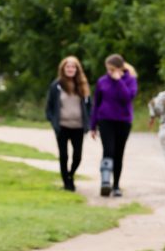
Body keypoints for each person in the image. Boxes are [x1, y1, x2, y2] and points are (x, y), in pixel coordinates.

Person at [90, 54, 138, 197]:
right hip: (105, 120)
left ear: (120, 68)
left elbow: (127, 98)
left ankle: (116, 185)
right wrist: (93, 125)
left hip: (123, 121)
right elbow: (96, 103)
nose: (109, 72)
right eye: (108, 69)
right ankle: (105, 183)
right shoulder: (102, 81)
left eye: (112, 69)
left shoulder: (130, 80)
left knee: (118, 153)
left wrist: (119, 81)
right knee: (108, 151)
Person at [45, 56, 91, 191]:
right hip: (62, 127)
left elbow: (89, 105)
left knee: (77, 156)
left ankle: (70, 174)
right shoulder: (56, 85)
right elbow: (49, 106)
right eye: (68, 67)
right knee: (64, 156)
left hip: (78, 127)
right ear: (63, 69)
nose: (70, 69)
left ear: (77, 69)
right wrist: (52, 120)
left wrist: (90, 121)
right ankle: (67, 183)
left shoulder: (82, 85)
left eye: (73, 67)